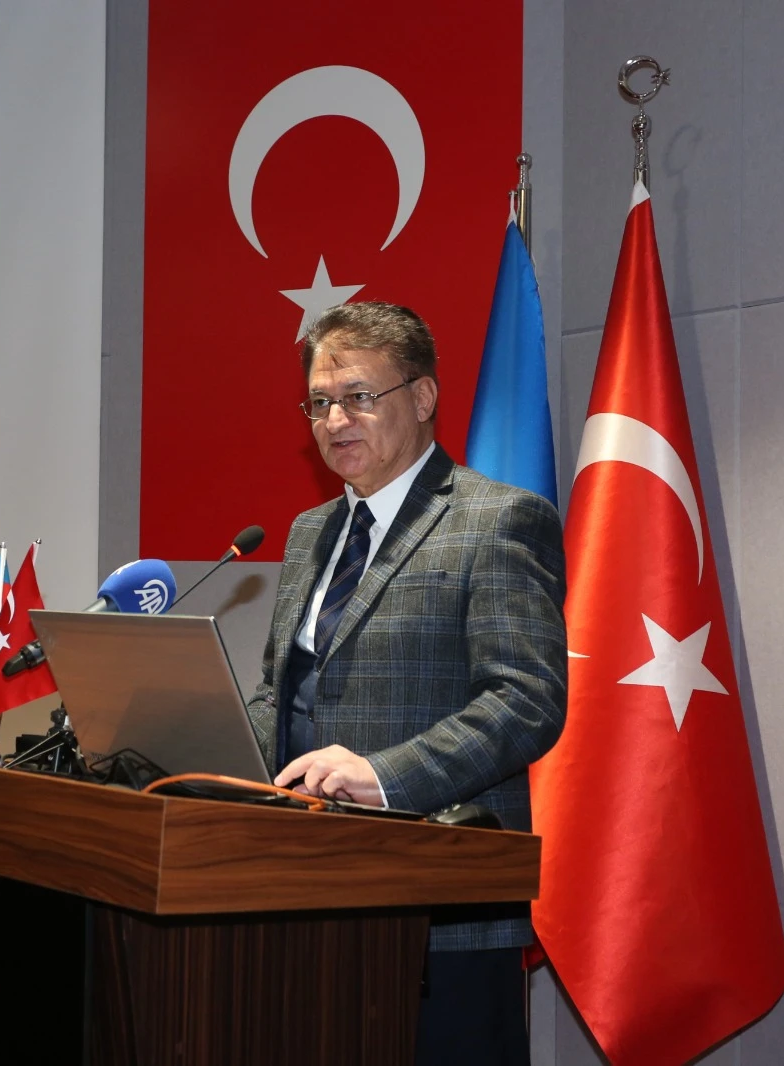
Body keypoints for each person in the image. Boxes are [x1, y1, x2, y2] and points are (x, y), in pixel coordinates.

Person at [245, 300, 567, 1066]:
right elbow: (280, 691)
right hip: (300, 892)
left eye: (359, 396)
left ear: (422, 397)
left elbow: (526, 700)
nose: (335, 421)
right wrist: (205, 752)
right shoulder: (309, 532)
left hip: (438, 905)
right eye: (319, 402)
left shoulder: (497, 521)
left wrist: (385, 777)